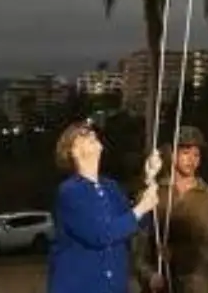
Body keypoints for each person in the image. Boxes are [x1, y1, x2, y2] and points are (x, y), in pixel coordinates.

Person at [45, 116, 159, 293]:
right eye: (83, 134)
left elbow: (136, 223)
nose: (91, 133)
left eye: (92, 133)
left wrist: (150, 178)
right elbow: (100, 234)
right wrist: (142, 207)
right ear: (72, 151)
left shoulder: (111, 187)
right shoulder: (69, 192)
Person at [136, 125, 208, 292]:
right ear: (172, 154)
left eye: (196, 155)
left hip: (194, 286)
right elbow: (138, 247)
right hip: (158, 285)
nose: (191, 160)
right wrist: (149, 276)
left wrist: (176, 255)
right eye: (185, 153)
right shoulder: (153, 194)